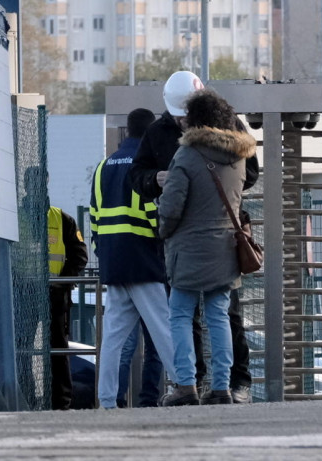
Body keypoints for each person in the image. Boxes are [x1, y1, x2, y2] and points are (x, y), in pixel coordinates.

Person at [131, 71, 258, 403]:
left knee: (185, 314)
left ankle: (189, 384)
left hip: (185, 243)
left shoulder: (184, 155)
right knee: (220, 313)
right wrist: (151, 180)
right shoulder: (235, 145)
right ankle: (223, 386)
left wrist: (170, 216)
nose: (181, 121)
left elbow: (171, 210)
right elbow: (137, 174)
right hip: (225, 241)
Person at [90, 108, 179, 410]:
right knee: (164, 328)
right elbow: (154, 214)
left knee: (112, 338)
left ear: (127, 131)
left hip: (113, 261)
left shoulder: (103, 167)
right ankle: (184, 387)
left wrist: (105, 254)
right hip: (143, 258)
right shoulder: (145, 167)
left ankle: (106, 401)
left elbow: (94, 217)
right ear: (150, 133)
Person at [48, 201, 88, 410]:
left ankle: (61, 402)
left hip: (56, 294)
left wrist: (62, 282)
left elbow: (80, 255)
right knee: (22, 348)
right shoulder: (18, 218)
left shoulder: (62, 218)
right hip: (25, 291)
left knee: (58, 347)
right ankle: (29, 394)